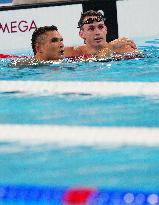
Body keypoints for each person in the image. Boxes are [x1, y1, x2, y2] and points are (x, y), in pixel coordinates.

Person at [64, 10, 139, 59]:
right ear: (81, 34)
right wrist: (110, 47)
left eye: (100, 27)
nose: (97, 32)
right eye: (91, 28)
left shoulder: (123, 49)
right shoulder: (71, 52)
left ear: (106, 30)